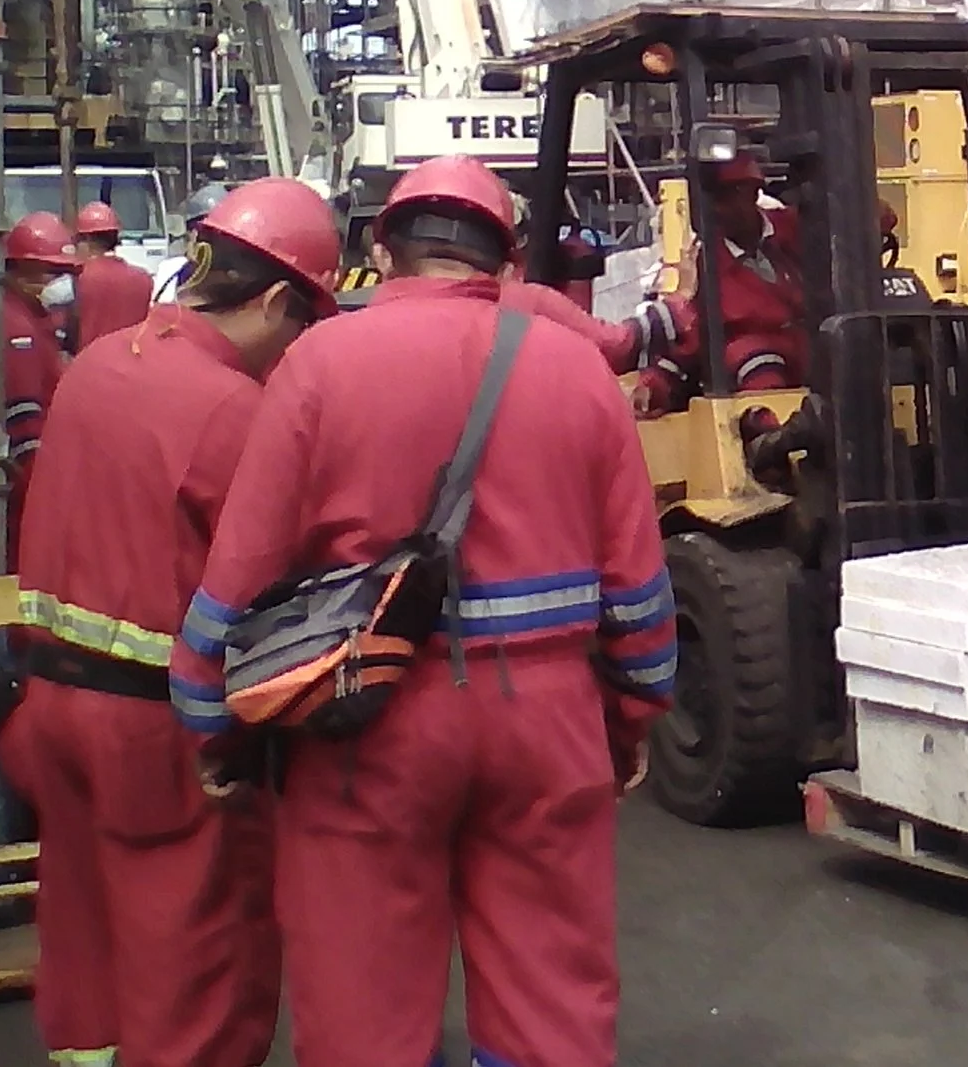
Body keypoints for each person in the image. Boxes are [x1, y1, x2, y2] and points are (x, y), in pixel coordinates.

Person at [168, 154, 673, 1067]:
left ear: (382, 248)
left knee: (363, 996)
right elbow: (637, 583)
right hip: (548, 720)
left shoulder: (318, 363)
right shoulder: (576, 369)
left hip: (366, 722)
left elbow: (239, 572)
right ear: (505, 260)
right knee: (549, 992)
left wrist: (213, 722)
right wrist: (634, 714)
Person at [3, 179, 339, 1067]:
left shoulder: (99, 365)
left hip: (50, 710)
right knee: (198, 964)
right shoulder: (229, 407)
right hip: (162, 738)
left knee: (86, 939)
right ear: (275, 301)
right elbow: (272, 585)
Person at [634, 151, 809, 409]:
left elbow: (874, 222)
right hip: (762, 372)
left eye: (729, 195)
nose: (718, 208)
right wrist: (655, 383)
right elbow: (690, 336)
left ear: (753, 192)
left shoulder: (795, 227)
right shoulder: (707, 266)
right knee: (756, 362)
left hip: (821, 351)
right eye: (714, 198)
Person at [0, 211, 81, 553]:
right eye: (52, 271)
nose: (61, 281)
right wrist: (47, 500)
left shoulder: (28, 317)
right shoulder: (16, 331)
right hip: (22, 497)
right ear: (18, 270)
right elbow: (23, 427)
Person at [72, 199, 155, 349]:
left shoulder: (78, 278)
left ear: (87, 239)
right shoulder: (144, 279)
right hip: (134, 365)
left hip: (90, 366)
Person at [153, 181, 231, 304]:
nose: (197, 235)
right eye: (193, 226)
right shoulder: (168, 270)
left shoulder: (238, 282)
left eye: (209, 231)